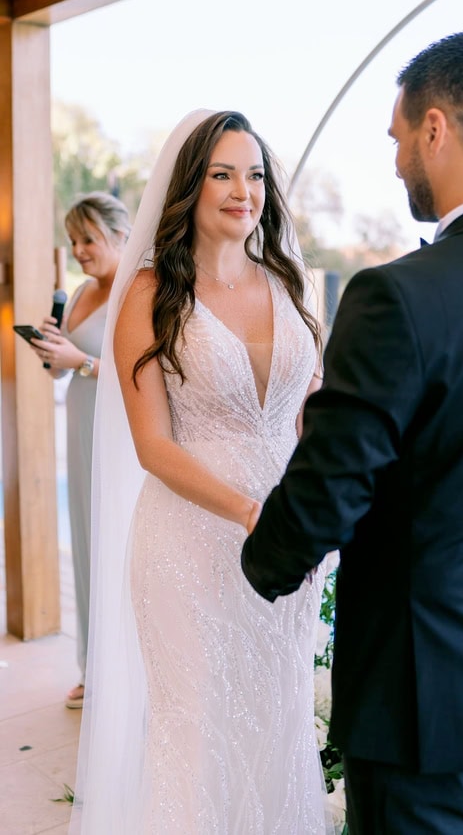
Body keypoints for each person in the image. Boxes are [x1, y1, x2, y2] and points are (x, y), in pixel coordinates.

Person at [241, 30, 463, 834]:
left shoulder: (394, 296)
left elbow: (333, 485)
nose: (398, 158)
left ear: (435, 128)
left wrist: (261, 564)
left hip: (421, 695)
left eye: (399, 137)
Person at [69, 109, 331, 834]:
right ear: (190, 186)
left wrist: (315, 514)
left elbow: (315, 416)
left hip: (288, 547)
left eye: (254, 174)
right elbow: (153, 445)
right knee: (197, 727)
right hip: (188, 544)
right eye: (222, 173)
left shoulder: (291, 283)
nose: (242, 190)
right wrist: (253, 513)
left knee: (278, 716)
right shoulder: (150, 296)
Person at [28, 191, 130, 710]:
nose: (79, 250)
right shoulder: (81, 291)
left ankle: (123, 669)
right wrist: (55, 353)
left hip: (120, 430)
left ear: (120, 235)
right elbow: (62, 368)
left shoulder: (137, 290)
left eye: (88, 238)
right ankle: (91, 665)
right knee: (87, 541)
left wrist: (82, 360)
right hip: (81, 421)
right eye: (73, 241)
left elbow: (146, 376)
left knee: (116, 544)